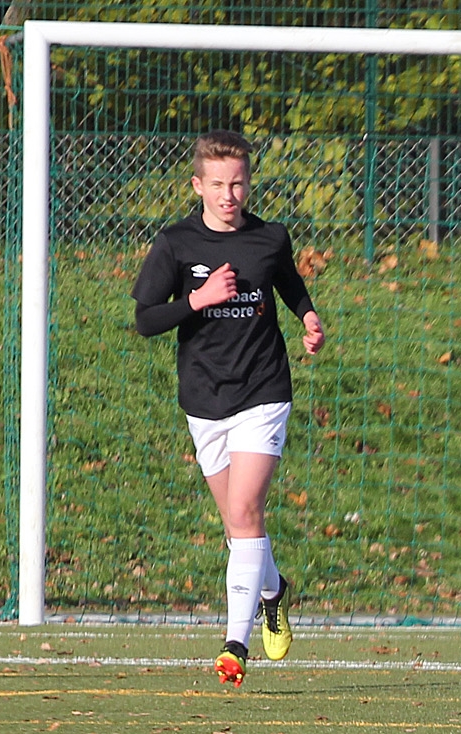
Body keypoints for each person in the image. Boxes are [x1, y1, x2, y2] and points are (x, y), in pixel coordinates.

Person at [132, 130, 325, 687]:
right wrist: (198, 299)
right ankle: (273, 590)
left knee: (245, 510)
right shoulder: (176, 244)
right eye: (217, 184)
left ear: (249, 183)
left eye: (237, 183)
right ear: (197, 185)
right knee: (239, 527)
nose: (228, 195)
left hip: (263, 391)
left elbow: (288, 283)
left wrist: (308, 317)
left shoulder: (269, 238)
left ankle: (234, 645)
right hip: (204, 399)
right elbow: (145, 319)